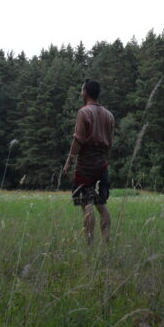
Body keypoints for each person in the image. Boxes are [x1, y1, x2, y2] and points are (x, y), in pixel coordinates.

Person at [63, 79, 115, 244]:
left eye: (81, 90)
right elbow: (110, 143)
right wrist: (105, 162)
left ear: (85, 92)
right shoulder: (109, 115)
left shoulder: (83, 112)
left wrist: (68, 162)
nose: (81, 93)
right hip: (102, 165)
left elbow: (78, 140)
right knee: (102, 206)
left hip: (85, 166)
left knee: (87, 205)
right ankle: (106, 242)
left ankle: (90, 245)